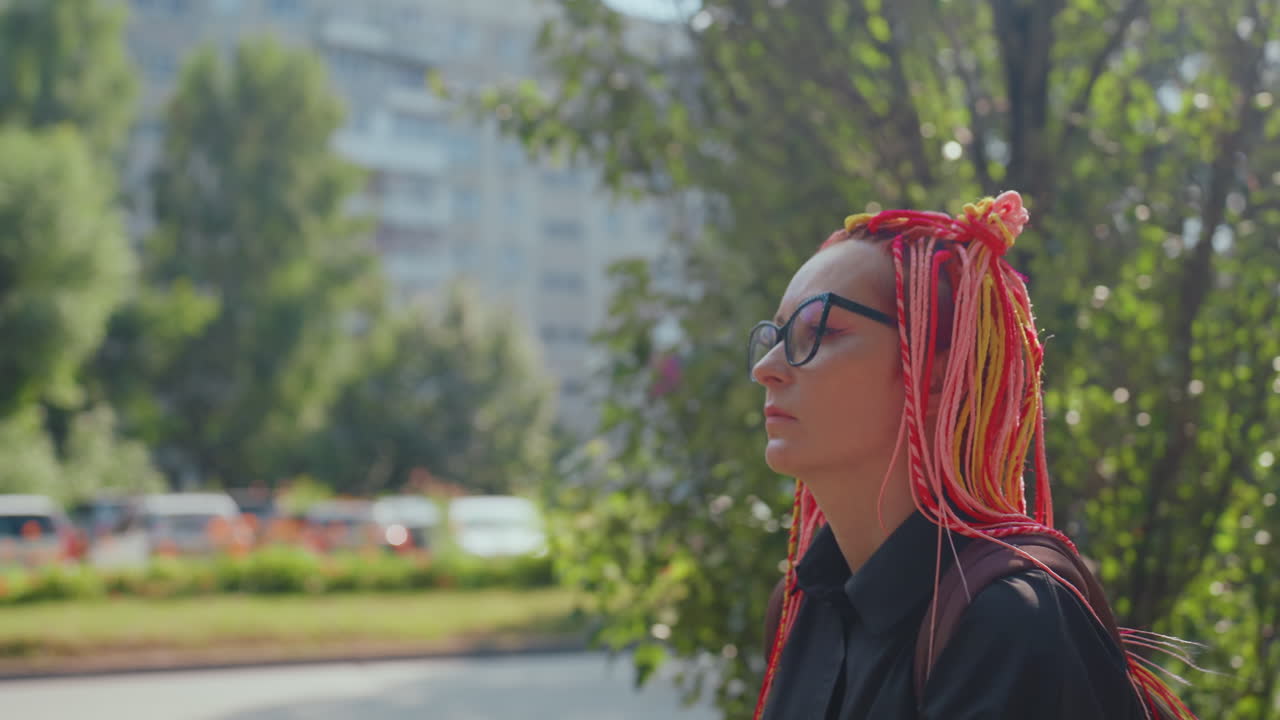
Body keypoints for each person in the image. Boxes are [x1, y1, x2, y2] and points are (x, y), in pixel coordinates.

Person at [747, 192, 1196, 719]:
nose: (767, 367)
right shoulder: (798, 609)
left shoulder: (1011, 618)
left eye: (820, 331)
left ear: (934, 377)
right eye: (776, 335)